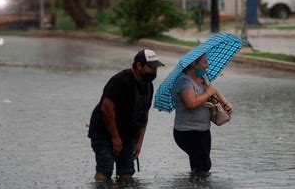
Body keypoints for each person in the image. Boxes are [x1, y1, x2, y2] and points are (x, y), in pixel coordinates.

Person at [88, 49, 164, 181]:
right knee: (105, 168)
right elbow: (106, 109)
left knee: (127, 172)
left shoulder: (148, 86)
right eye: (151, 68)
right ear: (139, 66)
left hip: (128, 134)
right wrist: (115, 138)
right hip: (103, 131)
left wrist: (139, 142)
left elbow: (144, 115)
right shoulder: (120, 80)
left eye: (156, 68)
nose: (154, 72)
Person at [172, 54, 233, 173]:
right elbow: (192, 104)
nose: (207, 66)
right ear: (194, 64)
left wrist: (226, 103)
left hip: (203, 130)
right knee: (204, 165)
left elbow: (213, 90)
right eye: (204, 63)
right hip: (187, 131)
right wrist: (208, 93)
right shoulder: (184, 81)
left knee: (199, 167)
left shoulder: (203, 78)